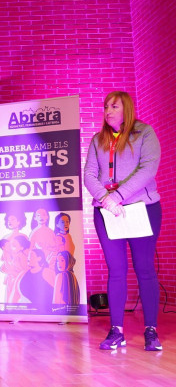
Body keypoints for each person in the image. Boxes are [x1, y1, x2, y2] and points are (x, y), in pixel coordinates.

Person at [84, 91, 162, 351]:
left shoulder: (145, 133)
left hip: (142, 208)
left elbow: (148, 168)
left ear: (126, 108)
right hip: (107, 211)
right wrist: (106, 200)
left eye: (114, 106)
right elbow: (89, 175)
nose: (107, 110)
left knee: (144, 268)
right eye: (105, 106)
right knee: (116, 270)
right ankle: (116, 331)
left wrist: (117, 196)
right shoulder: (98, 140)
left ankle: (151, 330)